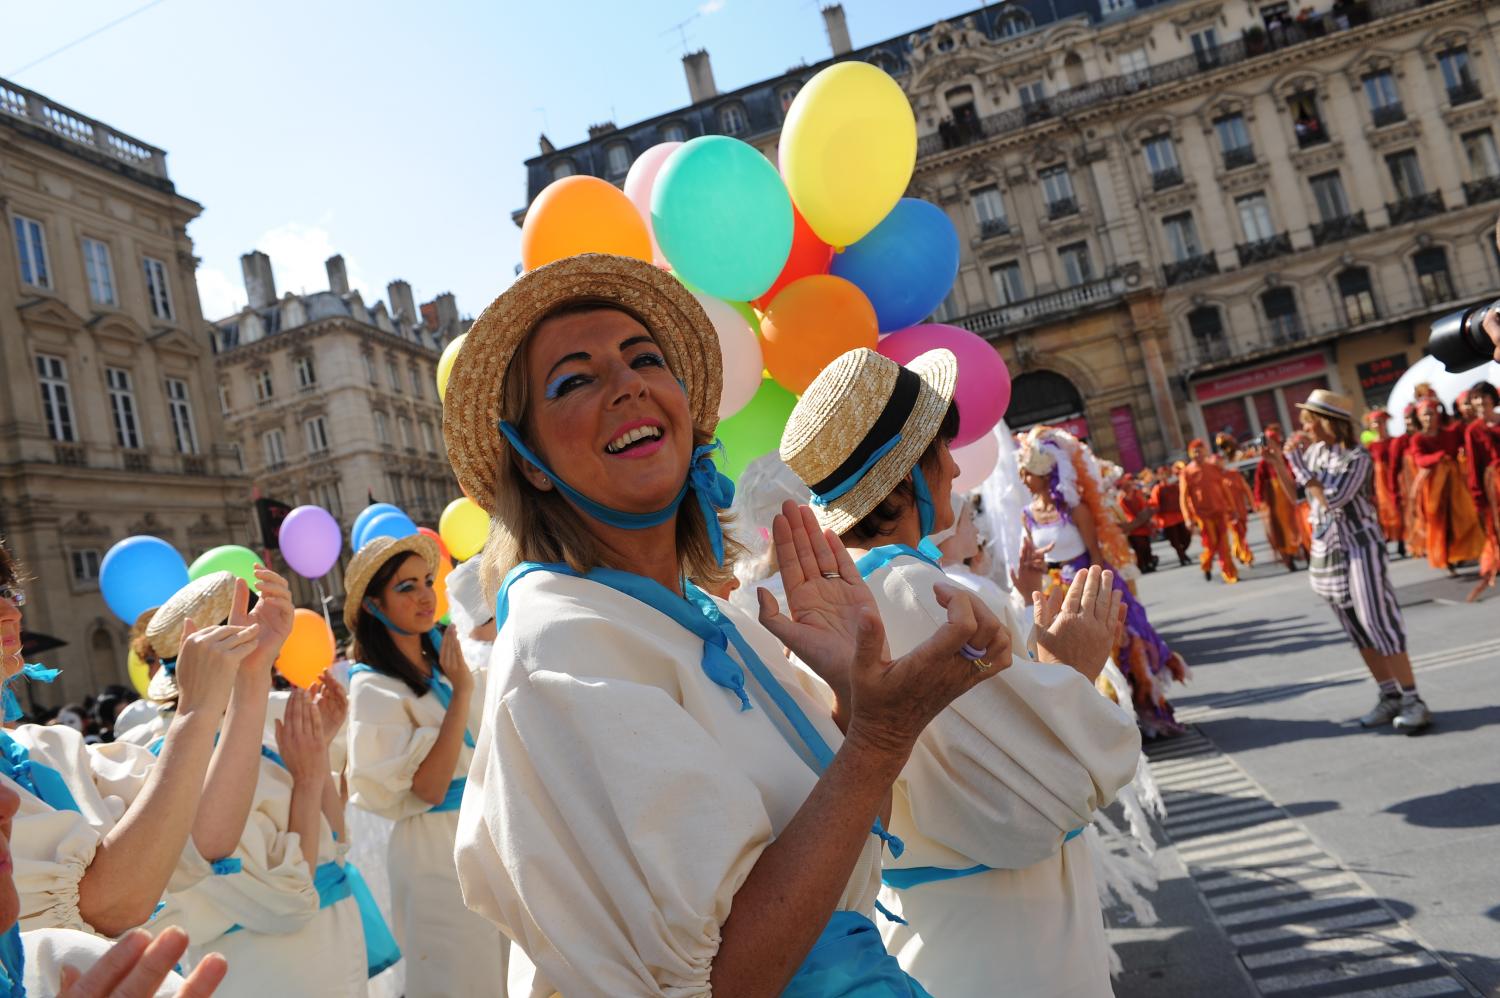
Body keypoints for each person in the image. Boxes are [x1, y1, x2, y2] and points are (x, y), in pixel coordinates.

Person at [444, 253, 1007, 996]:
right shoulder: (560, 645)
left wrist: (853, 696)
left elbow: (835, 840)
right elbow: (721, 978)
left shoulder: (710, 619)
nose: (628, 384)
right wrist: (880, 736)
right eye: (574, 380)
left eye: (645, 358)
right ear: (533, 464)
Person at [780, 354, 1140, 997]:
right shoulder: (914, 593)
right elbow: (1044, 793)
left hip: (941, 927)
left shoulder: (846, 593)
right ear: (902, 479)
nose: (952, 465)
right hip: (1007, 934)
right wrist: (1073, 670)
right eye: (939, 449)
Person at [0, 543, 294, 940]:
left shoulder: (49, 749)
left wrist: (254, 673)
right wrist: (196, 712)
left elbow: (205, 838)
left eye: (7, 590)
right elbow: (111, 905)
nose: (12, 612)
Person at [344, 533, 506, 997]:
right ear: (374, 606)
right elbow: (430, 789)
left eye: (427, 581)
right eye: (406, 586)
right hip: (435, 853)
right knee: (458, 979)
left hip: (482, 835)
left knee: (503, 976)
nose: (424, 595)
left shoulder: (442, 667)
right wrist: (459, 696)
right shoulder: (372, 688)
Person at [1263, 390, 1431, 733]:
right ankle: (1390, 695)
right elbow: (1298, 495)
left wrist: (1298, 468)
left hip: (1360, 546)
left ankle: (1413, 699)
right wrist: (1280, 463)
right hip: (1329, 547)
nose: (1305, 426)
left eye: (1310, 420)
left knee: (1376, 618)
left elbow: (1334, 499)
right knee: (1354, 625)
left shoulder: (1357, 458)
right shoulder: (1314, 453)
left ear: (1330, 422)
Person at [1018, 426, 1189, 739]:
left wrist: (1099, 597)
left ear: (1046, 474)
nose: (1023, 479)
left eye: (1028, 472)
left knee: (1118, 648)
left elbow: (1096, 555)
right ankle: (1096, 729)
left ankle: (1134, 717)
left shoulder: (1075, 510)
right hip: (1054, 590)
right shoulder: (1027, 514)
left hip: (1088, 584)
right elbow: (1034, 559)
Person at [1406, 398, 1484, 573]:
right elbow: (1420, 460)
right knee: (1440, 522)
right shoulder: (1418, 439)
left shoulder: (1449, 432)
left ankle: (1470, 551)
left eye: (1431, 414)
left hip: (1455, 483)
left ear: (1437, 414)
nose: (1428, 418)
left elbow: (1464, 439)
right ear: (1419, 417)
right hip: (1434, 487)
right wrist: (1439, 457)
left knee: (1464, 516)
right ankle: (1445, 558)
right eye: (1424, 415)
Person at [1180, 438, 1240, 583]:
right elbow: (1183, 497)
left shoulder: (1212, 467)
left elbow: (1224, 488)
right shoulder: (1187, 472)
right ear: (1190, 454)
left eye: (1200, 451)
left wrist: (1232, 508)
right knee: (1211, 543)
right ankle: (1206, 564)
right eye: (1195, 452)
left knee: (1224, 544)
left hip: (1220, 511)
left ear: (1205, 452)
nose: (1198, 455)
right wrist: (1188, 518)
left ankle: (1229, 573)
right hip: (1203, 515)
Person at [1254, 423, 1308, 571]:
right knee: (1281, 530)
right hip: (1276, 504)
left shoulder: (1287, 457)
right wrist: (1259, 502)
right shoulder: (1263, 464)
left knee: (1299, 526)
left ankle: (1306, 551)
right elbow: (1259, 484)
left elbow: (1294, 480)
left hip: (1292, 501)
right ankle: (1288, 558)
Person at [1464, 381, 1500, 599]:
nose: (1480, 401)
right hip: (1492, 483)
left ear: (1492, 398)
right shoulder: (1473, 430)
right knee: (1495, 524)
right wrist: (1477, 494)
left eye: (1484, 396)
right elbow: (1473, 465)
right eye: (1476, 397)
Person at [1363, 409, 1406, 554]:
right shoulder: (1370, 446)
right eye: (1375, 423)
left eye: (1380, 422)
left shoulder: (1394, 441)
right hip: (1379, 481)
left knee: (1399, 508)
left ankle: (1401, 539)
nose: (1378, 425)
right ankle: (1387, 537)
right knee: (1383, 511)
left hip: (1394, 477)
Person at [1151, 463, 1192, 566]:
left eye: (1166, 473)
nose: (1165, 475)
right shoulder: (1157, 489)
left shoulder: (1176, 486)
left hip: (1179, 516)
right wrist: (1155, 520)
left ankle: (1183, 553)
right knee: (1175, 541)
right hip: (1167, 520)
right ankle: (1182, 557)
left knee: (1187, 537)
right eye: (1163, 473)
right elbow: (1155, 504)